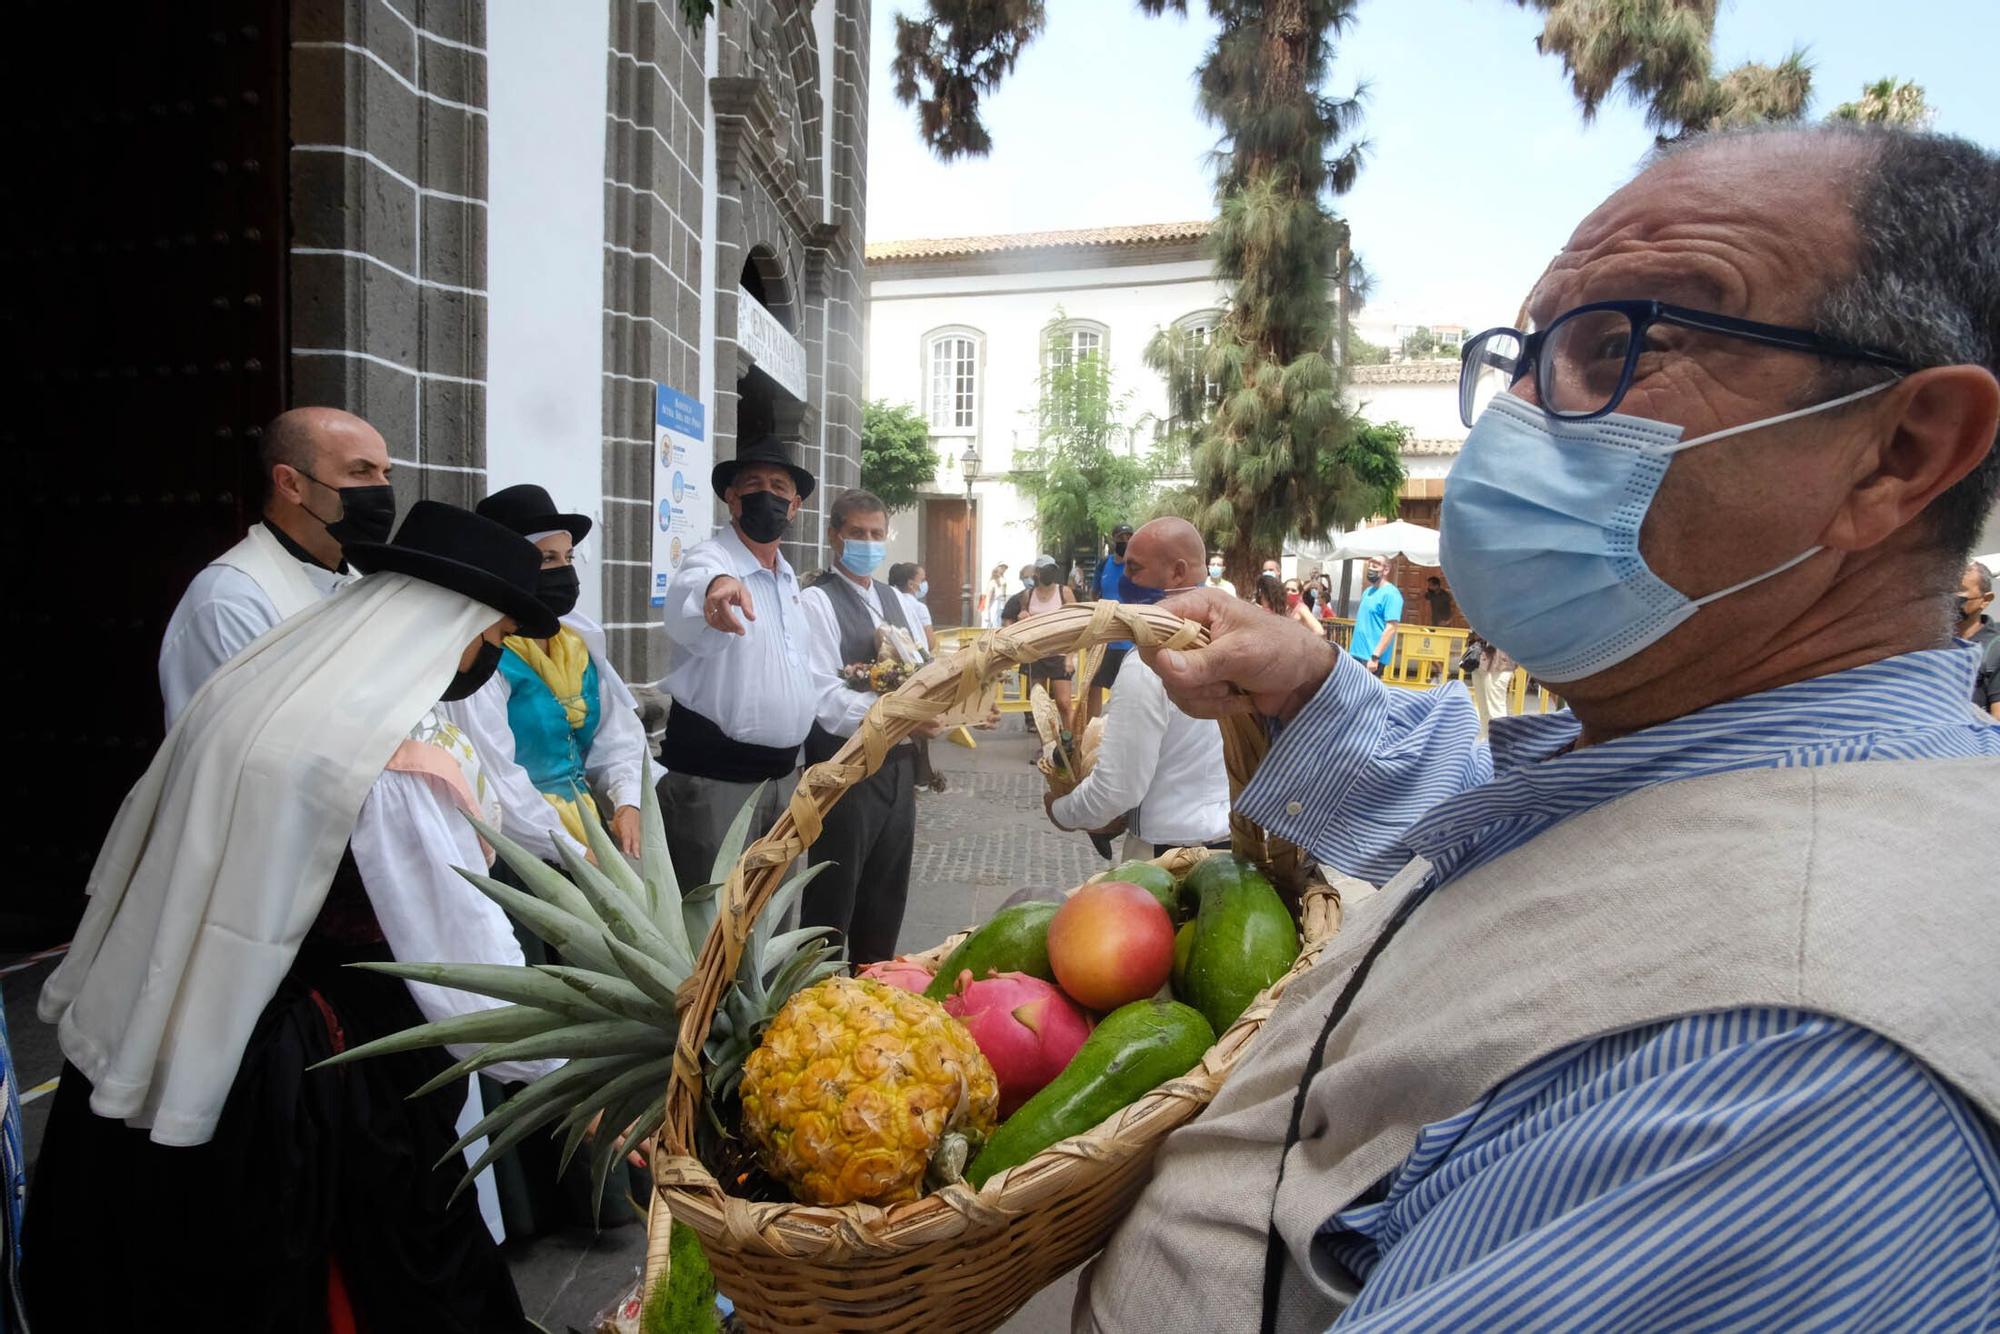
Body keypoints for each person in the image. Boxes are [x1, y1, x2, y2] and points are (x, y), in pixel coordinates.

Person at [1082, 124, 2000, 1332]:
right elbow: (1558, 863)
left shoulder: (1773, 1076)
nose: (1513, 420)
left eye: (1625, 344)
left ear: (1898, 452)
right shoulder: (1690, 746)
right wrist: (1309, 685)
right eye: (1527, 353)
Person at [28, 502, 570, 1332]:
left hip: (193, 1021)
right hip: (316, 1070)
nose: (486, 661)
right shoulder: (386, 763)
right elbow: (463, 970)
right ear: (440, 629)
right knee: (385, 1269)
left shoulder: (257, 693)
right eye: (489, 639)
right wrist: (571, 1081)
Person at [441, 485, 649, 867]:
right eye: (547, 559)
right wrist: (570, 852)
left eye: (568, 557)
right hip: (521, 848)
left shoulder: (576, 643)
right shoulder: (484, 656)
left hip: (587, 837)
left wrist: (627, 800)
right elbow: (496, 778)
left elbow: (617, 736)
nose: (565, 571)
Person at [157, 406, 394, 724]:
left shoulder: (363, 581)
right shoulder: (230, 599)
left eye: (385, 474)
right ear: (291, 484)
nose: (382, 489)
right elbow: (240, 741)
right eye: (361, 471)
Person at [655, 437, 818, 894]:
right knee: (711, 931)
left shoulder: (788, 580)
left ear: (795, 504)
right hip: (716, 788)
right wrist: (718, 588)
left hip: (783, 784)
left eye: (778, 486)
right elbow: (699, 583)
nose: (767, 494)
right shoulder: (710, 558)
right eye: (752, 484)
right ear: (731, 497)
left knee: (772, 928)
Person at [798, 490, 944, 964]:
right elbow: (822, 697)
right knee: (833, 899)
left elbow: (924, 672)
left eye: (876, 534)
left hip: (900, 766)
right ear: (834, 535)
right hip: (847, 769)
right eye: (857, 533)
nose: (867, 542)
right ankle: (815, 1001)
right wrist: (900, 715)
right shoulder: (816, 602)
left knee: (886, 892)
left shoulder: (894, 600)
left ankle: (875, 991)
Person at [1046, 519, 1228, 856]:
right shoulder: (1230, 641)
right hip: (1231, 850)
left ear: (1177, 573)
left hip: (1167, 857)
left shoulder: (1148, 662)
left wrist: (1061, 812)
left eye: (1134, 568)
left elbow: (1117, 789)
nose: (1124, 580)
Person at [1016, 554, 1078, 715]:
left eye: (1052, 569)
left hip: (1060, 653)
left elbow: (1076, 625)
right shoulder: (1028, 595)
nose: (1049, 573)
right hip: (1036, 654)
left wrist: (1070, 657)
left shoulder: (1064, 592)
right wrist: (1022, 616)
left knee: (1063, 703)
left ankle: (1068, 738)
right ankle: (1047, 738)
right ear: (1037, 572)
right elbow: (1023, 621)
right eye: (1046, 570)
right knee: (1040, 704)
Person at [1093, 523, 1137, 693]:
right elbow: (1095, 594)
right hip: (1105, 640)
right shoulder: (1104, 565)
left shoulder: (1138, 566)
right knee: (1094, 685)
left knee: (1127, 688)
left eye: (1129, 538)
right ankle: (1094, 720)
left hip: (1130, 640)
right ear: (1114, 540)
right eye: (1121, 538)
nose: (1125, 541)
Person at [1958, 560, 2000, 717]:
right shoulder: (1929, 644)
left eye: (1959, 590)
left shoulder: (1994, 649)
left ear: (1986, 600)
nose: (1950, 597)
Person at [1351, 555, 1402, 675]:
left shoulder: (1391, 594)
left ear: (1386, 570)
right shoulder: (1367, 592)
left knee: (1364, 693)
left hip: (1371, 657)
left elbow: (1391, 628)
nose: (1371, 568)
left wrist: (1375, 656)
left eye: (1375, 565)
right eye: (1369, 565)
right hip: (1357, 653)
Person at [1464, 630, 1515, 737]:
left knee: (1495, 709)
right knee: (1484, 710)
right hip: (1480, 659)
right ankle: (1485, 745)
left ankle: (1498, 745)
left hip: (1499, 661)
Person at [887, 561, 939, 653]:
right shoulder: (920, 608)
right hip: (919, 658)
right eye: (922, 580)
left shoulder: (891, 602)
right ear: (911, 584)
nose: (925, 584)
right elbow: (930, 643)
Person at [980, 563, 1010, 630]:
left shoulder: (1003, 580)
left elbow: (1004, 597)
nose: (1004, 569)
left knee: (999, 626)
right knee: (993, 626)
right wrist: (986, 612)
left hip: (1000, 607)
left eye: (1005, 568)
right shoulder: (992, 582)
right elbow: (988, 597)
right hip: (994, 607)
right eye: (1002, 567)